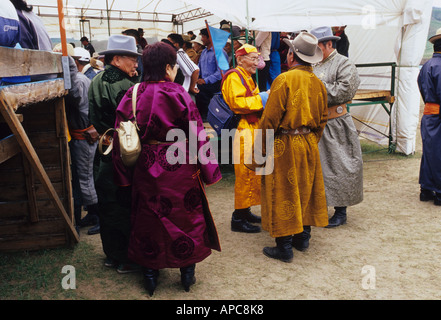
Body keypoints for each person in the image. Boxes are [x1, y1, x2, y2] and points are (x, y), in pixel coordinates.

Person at [112, 42, 222, 296]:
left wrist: (123, 176)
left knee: (148, 219)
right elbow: (197, 134)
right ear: (169, 67)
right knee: (188, 218)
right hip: (179, 164)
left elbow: (121, 136)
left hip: (146, 165)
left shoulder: (133, 93)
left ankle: (150, 275)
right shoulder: (178, 93)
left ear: (144, 65)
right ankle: (187, 274)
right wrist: (209, 170)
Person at [254, 32, 328, 262]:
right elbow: (323, 119)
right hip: (307, 143)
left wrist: (259, 150)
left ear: (291, 54)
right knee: (306, 187)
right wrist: (309, 140)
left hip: (284, 143)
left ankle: (284, 246)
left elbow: (270, 119)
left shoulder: (284, 80)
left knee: (283, 190)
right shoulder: (318, 83)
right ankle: (302, 238)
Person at [88, 35, 141, 273]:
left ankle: (111, 255)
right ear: (117, 59)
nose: (136, 64)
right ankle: (126, 257)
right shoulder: (126, 85)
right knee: (124, 202)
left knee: (107, 201)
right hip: (124, 150)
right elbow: (134, 120)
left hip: (104, 146)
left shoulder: (96, 79)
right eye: (132, 59)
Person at [310, 26, 363, 228]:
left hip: (336, 124)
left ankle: (341, 211)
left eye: (317, 47)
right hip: (316, 123)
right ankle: (319, 206)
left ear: (329, 44)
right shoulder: (313, 64)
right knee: (318, 167)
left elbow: (344, 92)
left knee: (339, 166)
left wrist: (313, 88)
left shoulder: (344, 63)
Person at [221, 44, 269, 234]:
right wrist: (263, 98)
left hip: (252, 126)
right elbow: (237, 103)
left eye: (257, 59)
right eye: (252, 58)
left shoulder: (247, 76)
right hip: (243, 127)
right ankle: (238, 217)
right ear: (240, 59)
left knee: (253, 171)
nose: (256, 63)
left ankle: (245, 210)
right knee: (245, 173)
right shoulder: (234, 77)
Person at [61, 46, 101, 236]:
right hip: (85, 136)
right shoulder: (85, 78)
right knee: (87, 178)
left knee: (84, 180)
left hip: (83, 137)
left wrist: (66, 66)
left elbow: (75, 98)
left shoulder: (78, 80)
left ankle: (100, 217)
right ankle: (94, 215)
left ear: (74, 62)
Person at [417, 27, 441, 206]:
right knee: (438, 153)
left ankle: (426, 189)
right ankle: (439, 192)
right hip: (439, 115)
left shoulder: (426, 65)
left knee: (429, 152)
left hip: (429, 113)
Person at [196, 28, 228, 120]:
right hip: (205, 82)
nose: (201, 39)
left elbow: (221, 72)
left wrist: (205, 81)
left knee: (200, 90)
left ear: (210, 38)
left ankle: (205, 116)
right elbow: (199, 68)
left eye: (203, 37)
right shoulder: (204, 52)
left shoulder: (220, 52)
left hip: (216, 83)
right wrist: (196, 79)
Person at [167, 33, 200, 98]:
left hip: (186, 92)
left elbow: (195, 70)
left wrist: (191, 87)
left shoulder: (179, 54)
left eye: (169, 43)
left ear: (176, 44)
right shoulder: (176, 54)